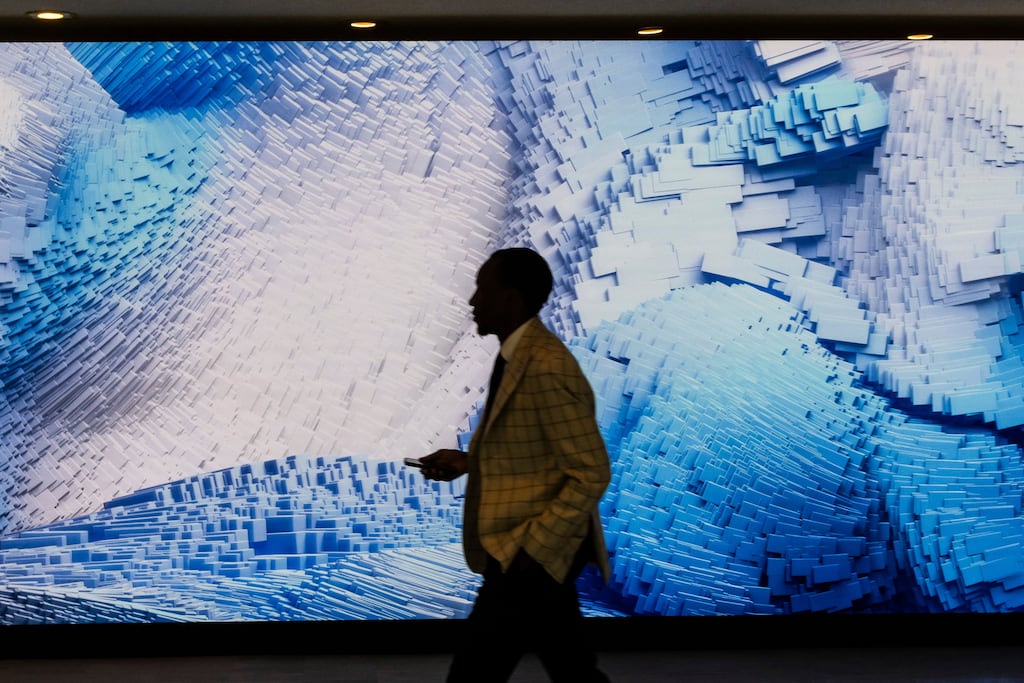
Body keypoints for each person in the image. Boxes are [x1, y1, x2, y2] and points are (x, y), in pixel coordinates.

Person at [418, 247, 612, 683]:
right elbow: (535, 453)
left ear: (510, 297)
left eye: (482, 289)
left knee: (473, 676)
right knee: (573, 669)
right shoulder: (518, 357)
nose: (473, 301)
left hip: (526, 552)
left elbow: (591, 471)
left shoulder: (545, 366)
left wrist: (534, 546)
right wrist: (469, 462)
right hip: (529, 557)